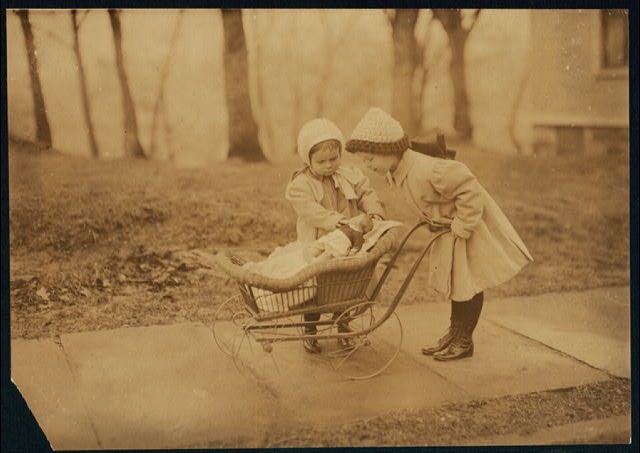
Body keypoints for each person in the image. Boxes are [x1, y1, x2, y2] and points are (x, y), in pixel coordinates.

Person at [345, 107, 533, 361]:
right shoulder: (397, 170)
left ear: (388, 149)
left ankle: (465, 339)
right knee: (458, 285)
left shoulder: (427, 168)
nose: (368, 166)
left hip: (468, 232)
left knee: (470, 284)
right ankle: (455, 333)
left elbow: (469, 188)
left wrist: (462, 225)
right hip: (448, 232)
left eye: (370, 159)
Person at [286, 118, 387, 353]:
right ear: (307, 159)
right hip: (319, 243)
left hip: (348, 240)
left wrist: (374, 211)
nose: (329, 165)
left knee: (347, 284)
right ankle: (310, 329)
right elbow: (309, 210)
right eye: (321, 161)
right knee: (316, 288)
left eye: (334, 159)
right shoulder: (301, 184)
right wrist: (336, 221)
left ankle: (343, 323)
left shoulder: (349, 174)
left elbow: (366, 192)